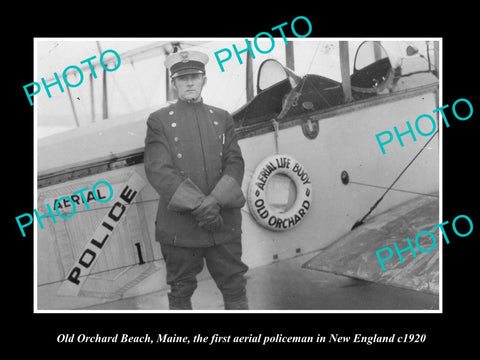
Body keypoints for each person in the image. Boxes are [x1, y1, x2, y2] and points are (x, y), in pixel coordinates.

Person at [144, 50, 249, 310]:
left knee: (235, 288)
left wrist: (214, 201)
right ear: (173, 84)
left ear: (204, 80)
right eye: (183, 78)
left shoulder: (222, 117)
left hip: (222, 224)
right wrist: (202, 206)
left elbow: (235, 163)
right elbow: (158, 170)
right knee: (180, 292)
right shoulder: (159, 121)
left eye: (194, 77)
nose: (189, 83)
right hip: (181, 228)